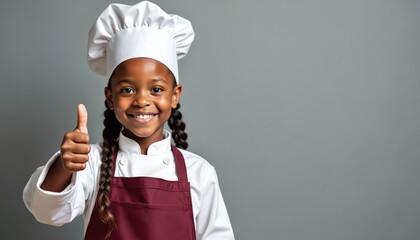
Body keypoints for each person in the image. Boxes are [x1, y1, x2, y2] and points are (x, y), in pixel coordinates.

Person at [22, 1, 235, 239]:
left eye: (156, 89)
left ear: (174, 96)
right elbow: (46, 213)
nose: (142, 101)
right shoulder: (92, 164)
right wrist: (64, 166)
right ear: (110, 98)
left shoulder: (200, 172)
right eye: (127, 90)